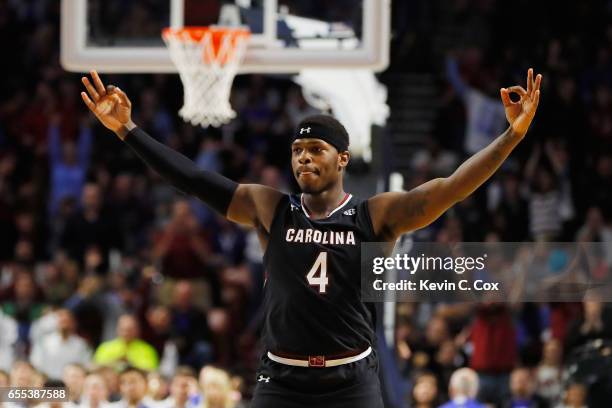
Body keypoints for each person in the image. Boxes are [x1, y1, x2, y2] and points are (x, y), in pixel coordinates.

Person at [81, 68, 542, 407]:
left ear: (342, 159)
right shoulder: (269, 208)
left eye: (316, 150)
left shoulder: (374, 216)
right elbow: (195, 180)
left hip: (351, 381)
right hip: (281, 380)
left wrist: (511, 136)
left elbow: (451, 187)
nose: (303, 158)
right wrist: (127, 129)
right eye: (297, 151)